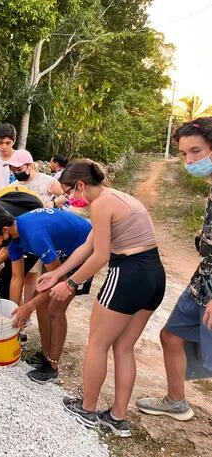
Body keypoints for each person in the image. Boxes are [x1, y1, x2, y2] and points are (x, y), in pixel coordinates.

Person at [36, 159, 165, 438]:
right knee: (124, 347)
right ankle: (118, 418)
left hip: (128, 275)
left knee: (97, 343)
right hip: (154, 276)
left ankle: (88, 409)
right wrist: (57, 272)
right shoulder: (115, 197)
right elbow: (89, 244)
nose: (68, 198)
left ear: (81, 185)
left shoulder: (101, 205)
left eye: (69, 191)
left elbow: (101, 256)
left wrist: (70, 284)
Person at [136, 118, 212, 423]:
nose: (189, 160)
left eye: (196, 151)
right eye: (183, 154)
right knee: (171, 335)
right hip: (202, 280)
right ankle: (176, 400)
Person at [0, 205, 92, 384]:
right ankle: (46, 354)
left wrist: (28, 306)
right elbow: (17, 278)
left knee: (56, 306)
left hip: (85, 246)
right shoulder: (14, 239)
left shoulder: (34, 234)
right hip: (60, 248)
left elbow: (60, 280)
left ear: (4, 230)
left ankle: (52, 367)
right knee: (42, 301)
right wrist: (15, 314)